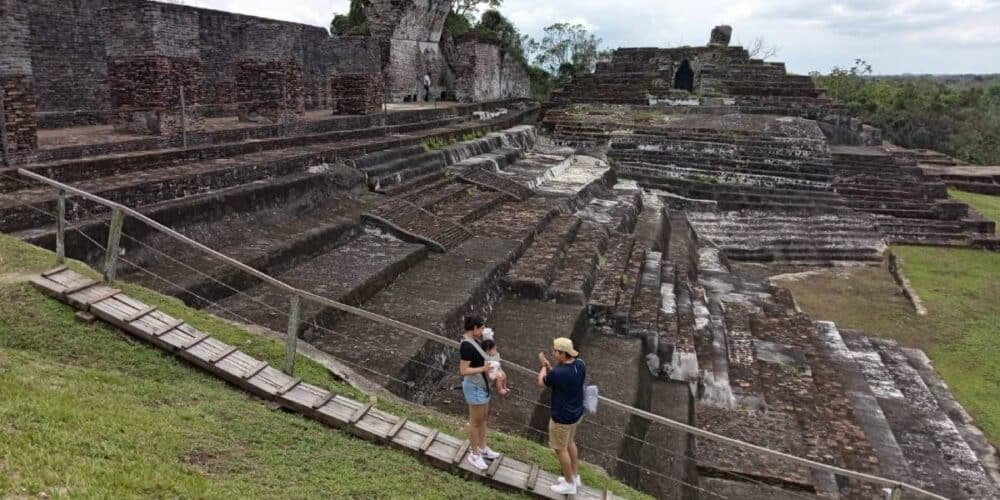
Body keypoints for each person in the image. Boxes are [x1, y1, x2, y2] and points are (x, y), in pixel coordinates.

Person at [537, 337, 586, 495]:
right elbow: (559, 377)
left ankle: (569, 483)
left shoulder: (559, 372)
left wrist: (544, 366)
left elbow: (542, 382)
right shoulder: (580, 364)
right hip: (576, 414)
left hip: (562, 417)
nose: (553, 353)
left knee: (560, 449)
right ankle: (574, 476)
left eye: (556, 351)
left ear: (563, 354)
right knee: (570, 443)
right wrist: (550, 368)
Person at [459, 315, 501, 470]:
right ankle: (474, 454)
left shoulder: (477, 341)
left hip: (482, 385)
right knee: (475, 421)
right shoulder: (466, 346)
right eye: (482, 328)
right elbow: (463, 370)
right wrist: (483, 369)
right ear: (474, 329)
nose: (484, 330)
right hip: (474, 386)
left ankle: (483, 448)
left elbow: (489, 355)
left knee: (482, 419)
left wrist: (489, 339)